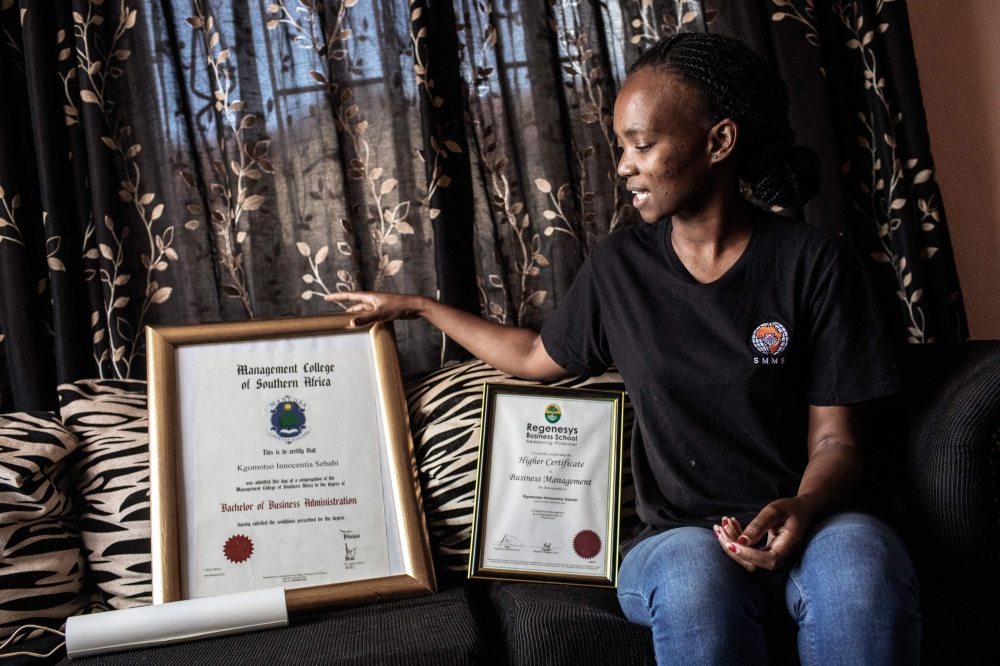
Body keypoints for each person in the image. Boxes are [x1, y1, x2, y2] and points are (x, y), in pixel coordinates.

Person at [326, 32, 920, 666]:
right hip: (677, 535)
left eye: (642, 145)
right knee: (697, 583)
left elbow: (836, 441)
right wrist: (418, 306)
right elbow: (534, 357)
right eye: (621, 148)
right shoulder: (619, 268)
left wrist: (802, 506)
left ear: (719, 141)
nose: (623, 166)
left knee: (860, 569)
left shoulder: (815, 264)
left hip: (817, 519)